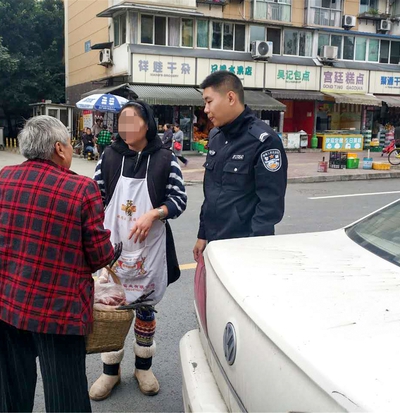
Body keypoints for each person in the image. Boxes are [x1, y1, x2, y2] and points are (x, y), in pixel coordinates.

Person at [0, 116, 115, 413]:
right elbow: (100, 257)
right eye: (70, 145)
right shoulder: (81, 189)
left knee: (13, 380)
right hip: (55, 307)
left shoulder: (5, 176)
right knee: (64, 389)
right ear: (59, 148)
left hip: (6, 295)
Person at [90, 100, 187, 400]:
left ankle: (143, 367)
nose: (125, 127)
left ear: (147, 124)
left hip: (149, 251)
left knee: (145, 311)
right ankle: (110, 372)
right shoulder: (108, 156)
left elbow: (179, 200)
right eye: (121, 121)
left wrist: (154, 214)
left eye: (131, 120)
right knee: (111, 312)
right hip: (113, 251)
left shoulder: (164, 159)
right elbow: (95, 197)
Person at [193, 71, 288, 262]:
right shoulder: (216, 137)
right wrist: (202, 233)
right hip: (213, 242)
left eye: (209, 101)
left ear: (230, 97)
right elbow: (211, 193)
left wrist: (254, 249)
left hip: (243, 247)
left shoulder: (263, 141)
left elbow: (270, 205)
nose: (205, 109)